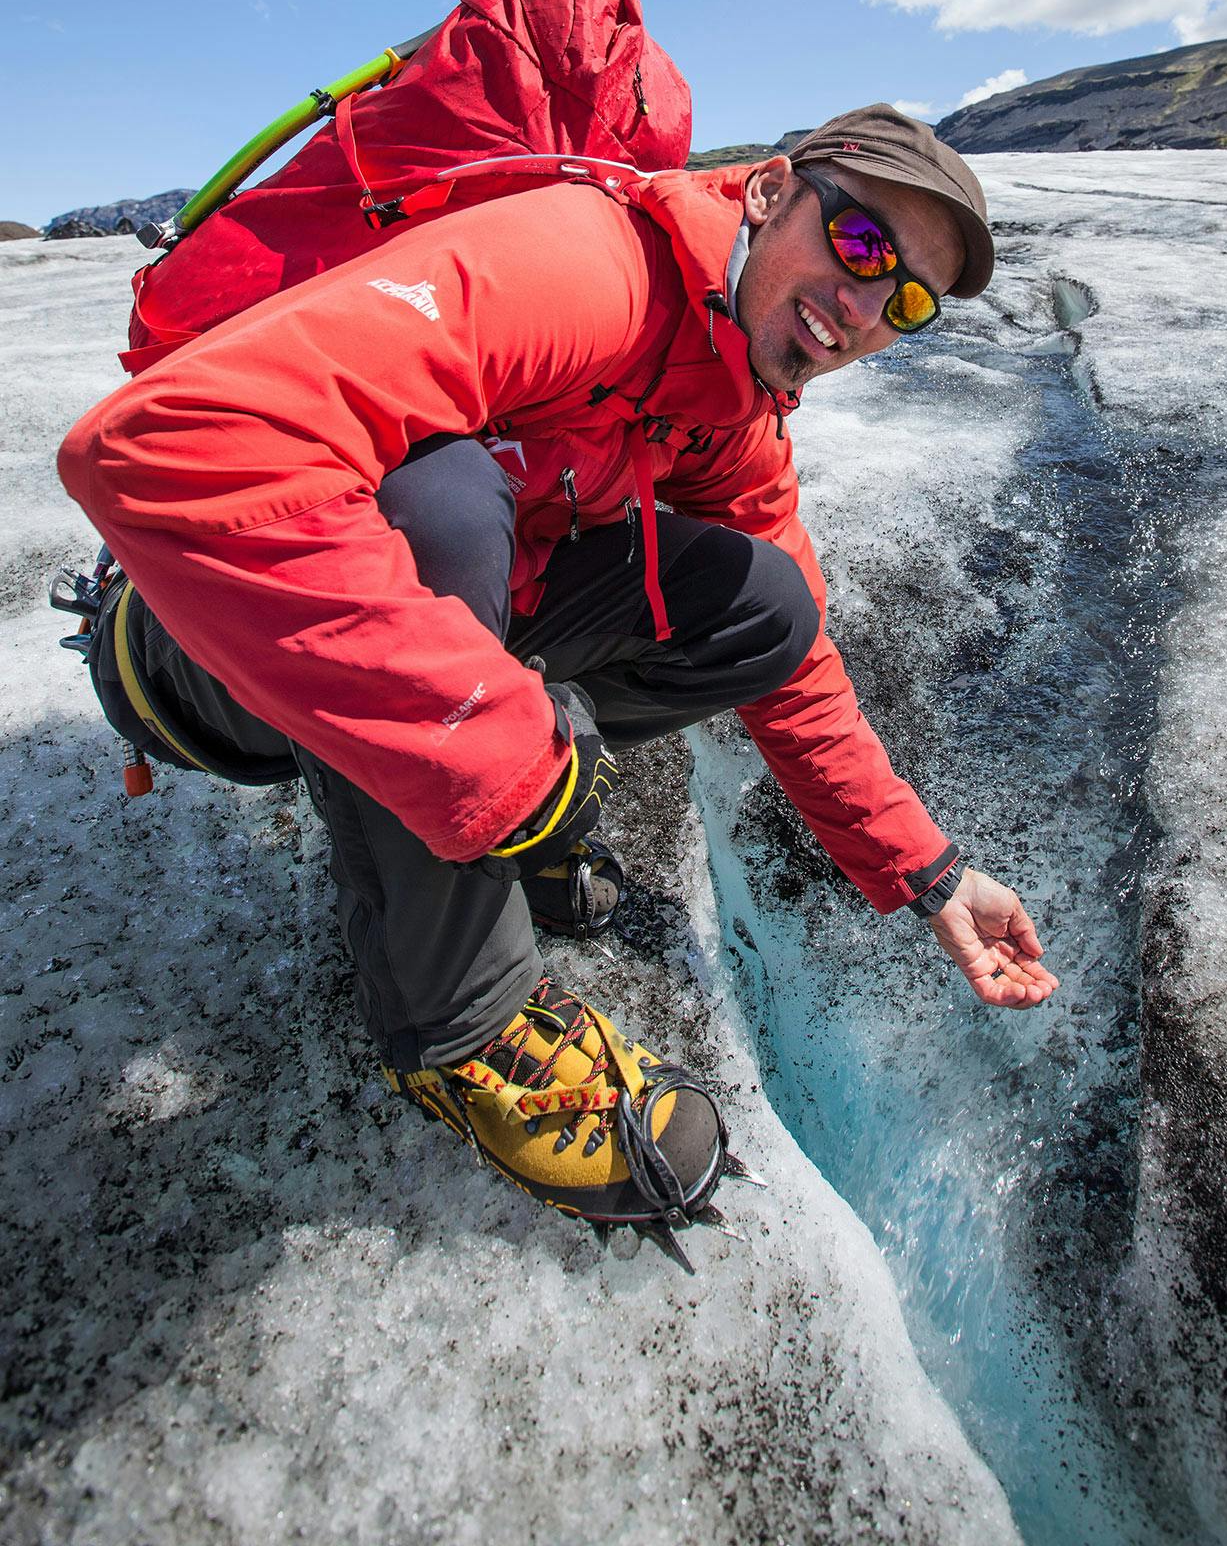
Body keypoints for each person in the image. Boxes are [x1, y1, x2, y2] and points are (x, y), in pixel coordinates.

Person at [57, 100, 1058, 1259]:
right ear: (772, 191)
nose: (868, 304)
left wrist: (926, 869)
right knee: (436, 509)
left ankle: (484, 801)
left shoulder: (727, 390)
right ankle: (464, 1028)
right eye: (866, 244)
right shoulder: (585, 270)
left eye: (909, 301)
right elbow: (158, 446)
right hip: (199, 644)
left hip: (397, 629)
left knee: (761, 607)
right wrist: (498, 748)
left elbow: (797, 658)